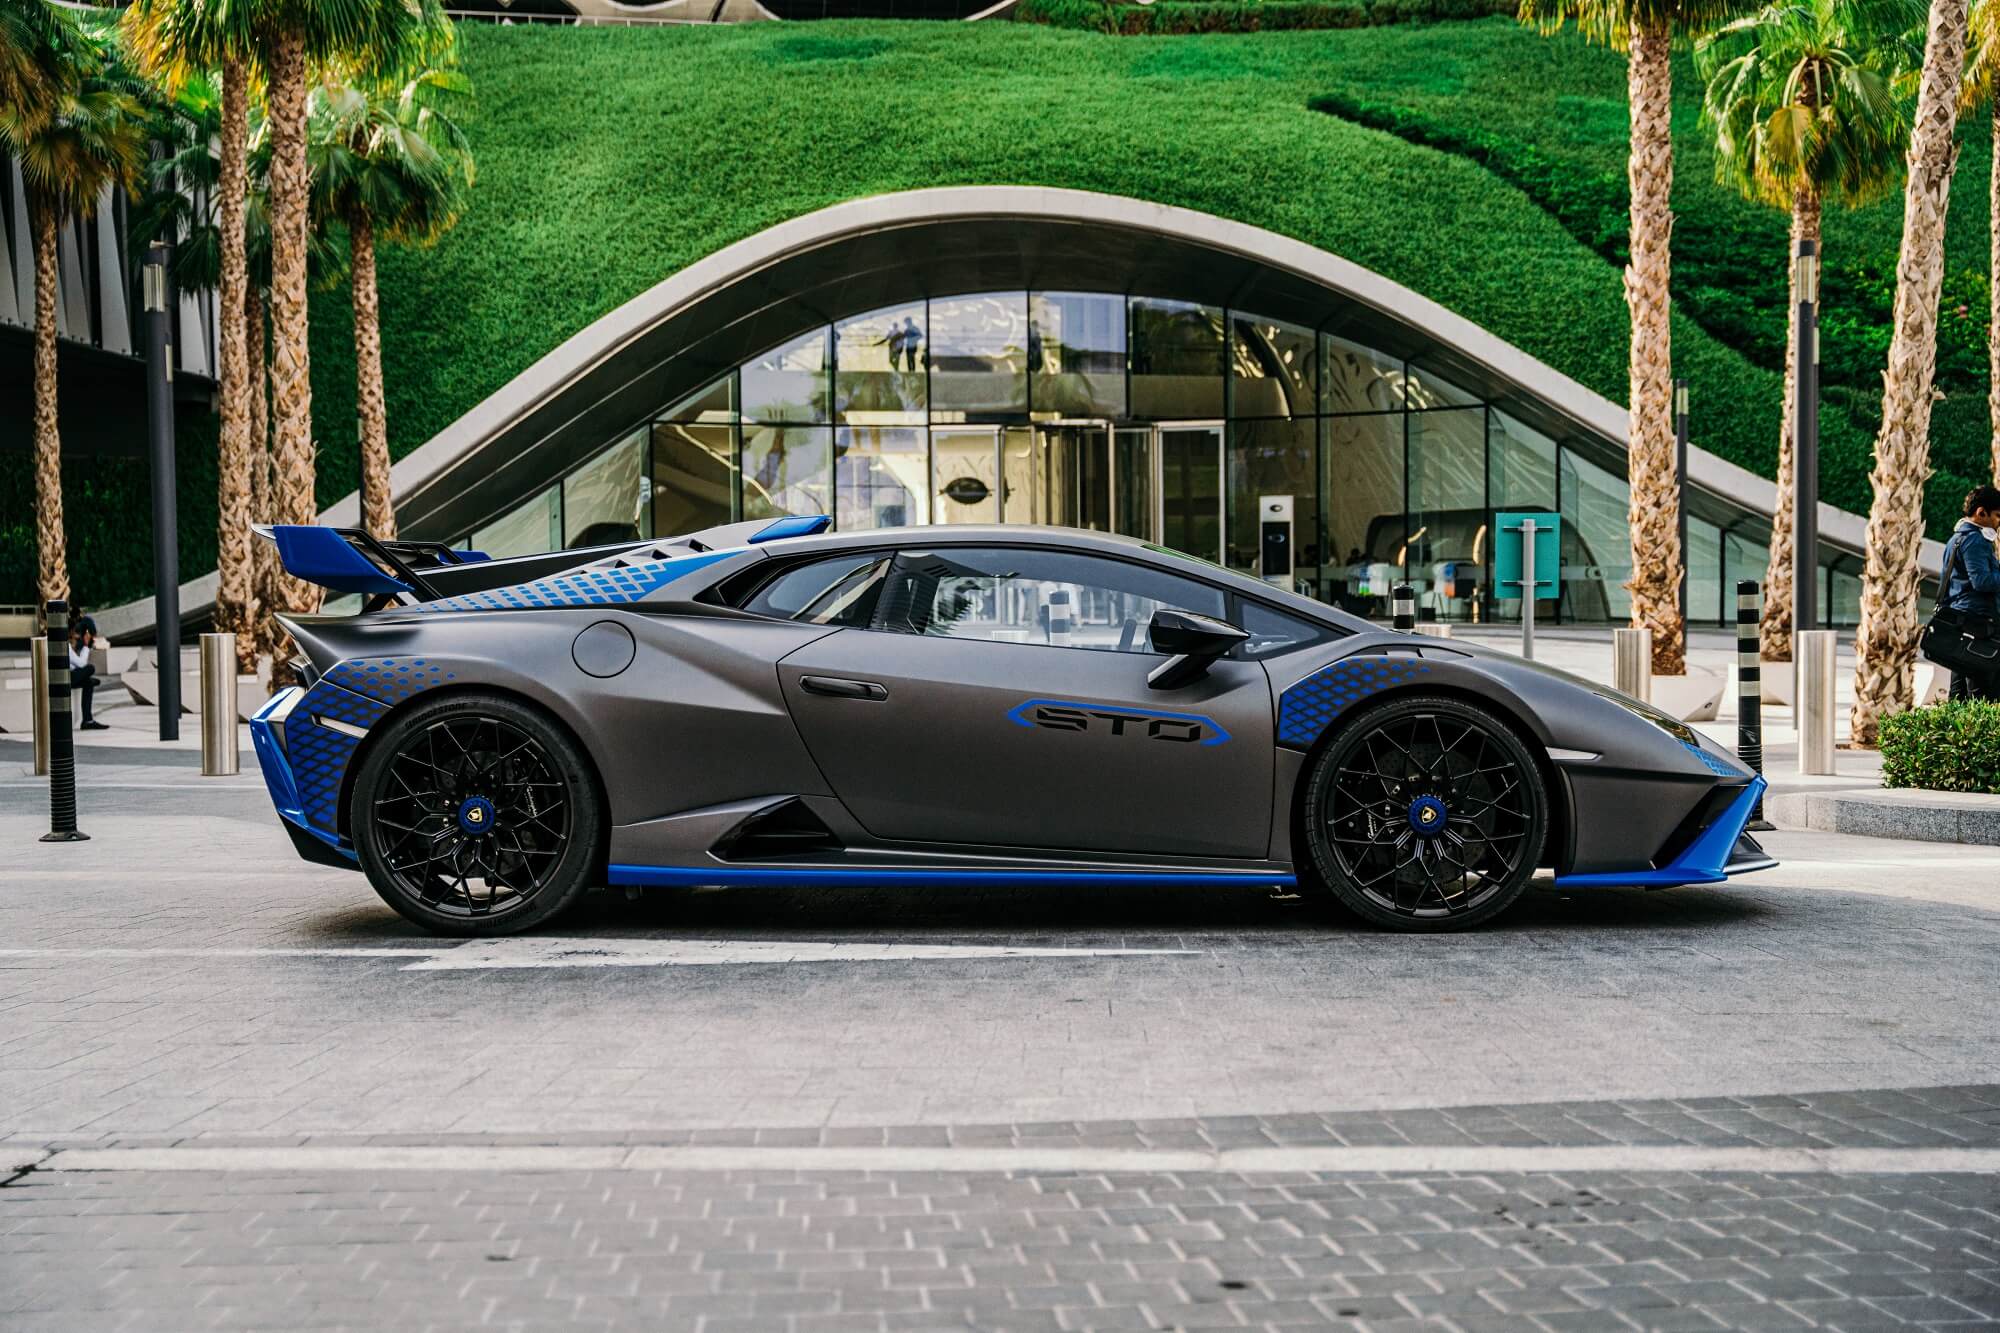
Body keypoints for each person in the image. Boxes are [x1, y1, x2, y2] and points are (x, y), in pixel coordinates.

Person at [1941, 485, 2000, 702]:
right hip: (1977, 622)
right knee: (1984, 692)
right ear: (1981, 512)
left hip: (1961, 621)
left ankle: (1954, 735)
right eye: (1997, 516)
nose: (1998, 522)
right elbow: (1982, 581)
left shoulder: (1956, 539)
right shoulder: (1975, 540)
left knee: (1959, 694)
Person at [70, 614, 107, 729]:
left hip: (69, 675)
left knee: (88, 682)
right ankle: (87, 720)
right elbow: (82, 664)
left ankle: (88, 721)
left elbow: (76, 665)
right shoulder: (65, 646)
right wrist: (86, 646)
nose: (76, 637)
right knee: (90, 669)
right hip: (63, 678)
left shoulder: (70, 646)